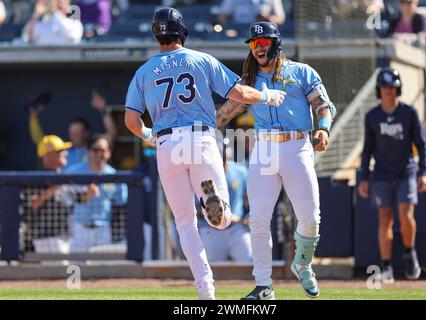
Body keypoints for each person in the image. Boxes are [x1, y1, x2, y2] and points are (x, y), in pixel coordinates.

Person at [124, 7, 286, 300]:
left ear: (155, 34)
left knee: (185, 222)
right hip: (200, 137)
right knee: (221, 221)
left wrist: (148, 136)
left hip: (166, 144)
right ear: (181, 32)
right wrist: (267, 96)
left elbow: (131, 122)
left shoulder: (144, 71)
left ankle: (206, 291)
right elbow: (239, 93)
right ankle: (214, 204)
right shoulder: (200, 59)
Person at [216, 21, 336, 299]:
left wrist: (323, 128)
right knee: (258, 219)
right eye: (253, 44)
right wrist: (197, 128)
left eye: (263, 43)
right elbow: (224, 114)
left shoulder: (301, 72)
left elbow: (323, 105)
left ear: (276, 43)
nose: (257, 48)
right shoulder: (248, 81)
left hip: (297, 145)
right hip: (265, 149)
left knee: (310, 218)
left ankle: (303, 264)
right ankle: (263, 285)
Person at [357, 67, 426, 283]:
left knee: (406, 215)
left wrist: (423, 172)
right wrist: (363, 177)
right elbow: (367, 148)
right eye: (385, 87)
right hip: (380, 175)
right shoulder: (372, 116)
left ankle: (409, 253)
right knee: (384, 219)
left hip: (405, 172)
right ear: (379, 90)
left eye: (392, 87)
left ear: (398, 89)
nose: (389, 91)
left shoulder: (409, 113)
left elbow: (421, 144)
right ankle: (386, 265)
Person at [65, 135, 127, 252]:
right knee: (76, 267)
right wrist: (83, 195)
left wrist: (117, 233)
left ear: (108, 153)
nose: (99, 154)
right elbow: (66, 200)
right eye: (95, 150)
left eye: (102, 150)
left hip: (103, 229)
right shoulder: (73, 172)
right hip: (79, 227)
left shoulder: (115, 176)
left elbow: (121, 205)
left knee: (101, 267)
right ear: (88, 151)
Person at [28, 89, 117, 168]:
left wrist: (103, 110)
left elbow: (111, 134)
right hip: (67, 186)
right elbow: (40, 140)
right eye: (71, 133)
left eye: (77, 133)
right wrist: (33, 116)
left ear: (86, 133)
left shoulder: (94, 150)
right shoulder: (63, 151)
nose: (73, 136)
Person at [198, 145, 252, 262]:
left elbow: (250, 199)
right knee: (210, 267)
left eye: (224, 158)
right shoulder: (203, 175)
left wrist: (248, 216)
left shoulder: (240, 171)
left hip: (237, 229)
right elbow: (197, 208)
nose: (223, 161)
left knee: (250, 260)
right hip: (211, 229)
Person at [23, 135, 73, 253]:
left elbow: (79, 198)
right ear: (48, 155)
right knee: (60, 271)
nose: (65, 153)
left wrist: (88, 193)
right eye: (60, 151)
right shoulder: (37, 179)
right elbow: (33, 204)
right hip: (46, 236)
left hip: (66, 235)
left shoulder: (64, 176)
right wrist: (54, 189)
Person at [217, 0, 286, 26]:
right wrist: (228, 27)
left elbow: (280, 19)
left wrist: (266, 17)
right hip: (239, 31)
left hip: (262, 32)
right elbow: (222, 16)